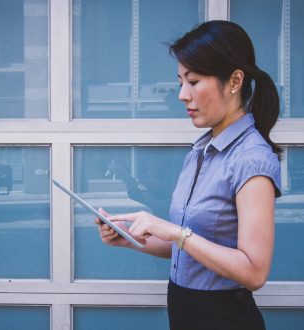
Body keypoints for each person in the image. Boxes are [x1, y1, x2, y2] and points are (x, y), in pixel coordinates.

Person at [95, 20, 281, 330]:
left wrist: (172, 231)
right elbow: (189, 246)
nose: (182, 94)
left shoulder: (251, 158)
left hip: (223, 318)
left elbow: (254, 272)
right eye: (180, 81)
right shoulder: (201, 149)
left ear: (235, 80)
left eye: (193, 81)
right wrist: (129, 238)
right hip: (184, 310)